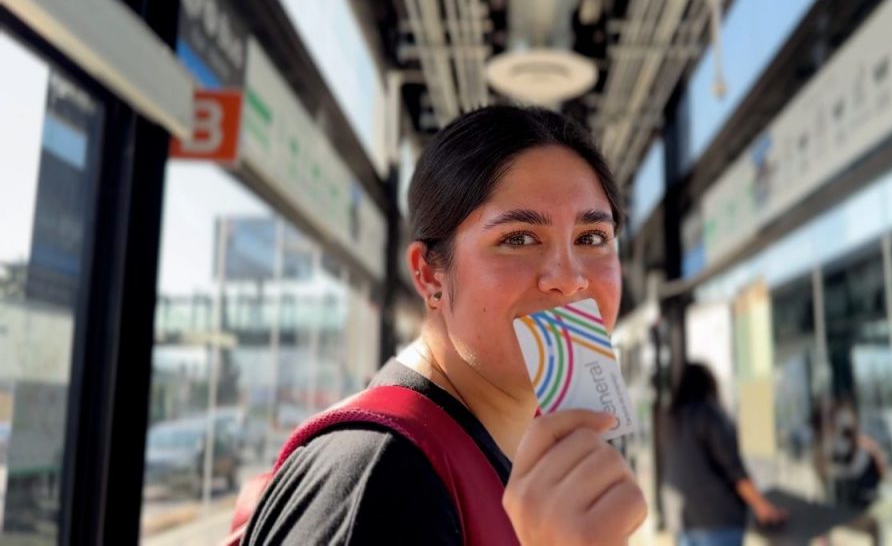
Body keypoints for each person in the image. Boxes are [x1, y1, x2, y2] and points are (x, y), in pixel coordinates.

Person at [241, 105, 647, 545]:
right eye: (518, 239)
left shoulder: (529, 453)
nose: (568, 279)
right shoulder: (383, 480)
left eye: (592, 238)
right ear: (430, 274)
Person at [666, 363, 785, 546]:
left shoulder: (672, 422)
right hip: (719, 521)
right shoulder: (709, 415)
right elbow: (734, 469)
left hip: (685, 522)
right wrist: (762, 506)